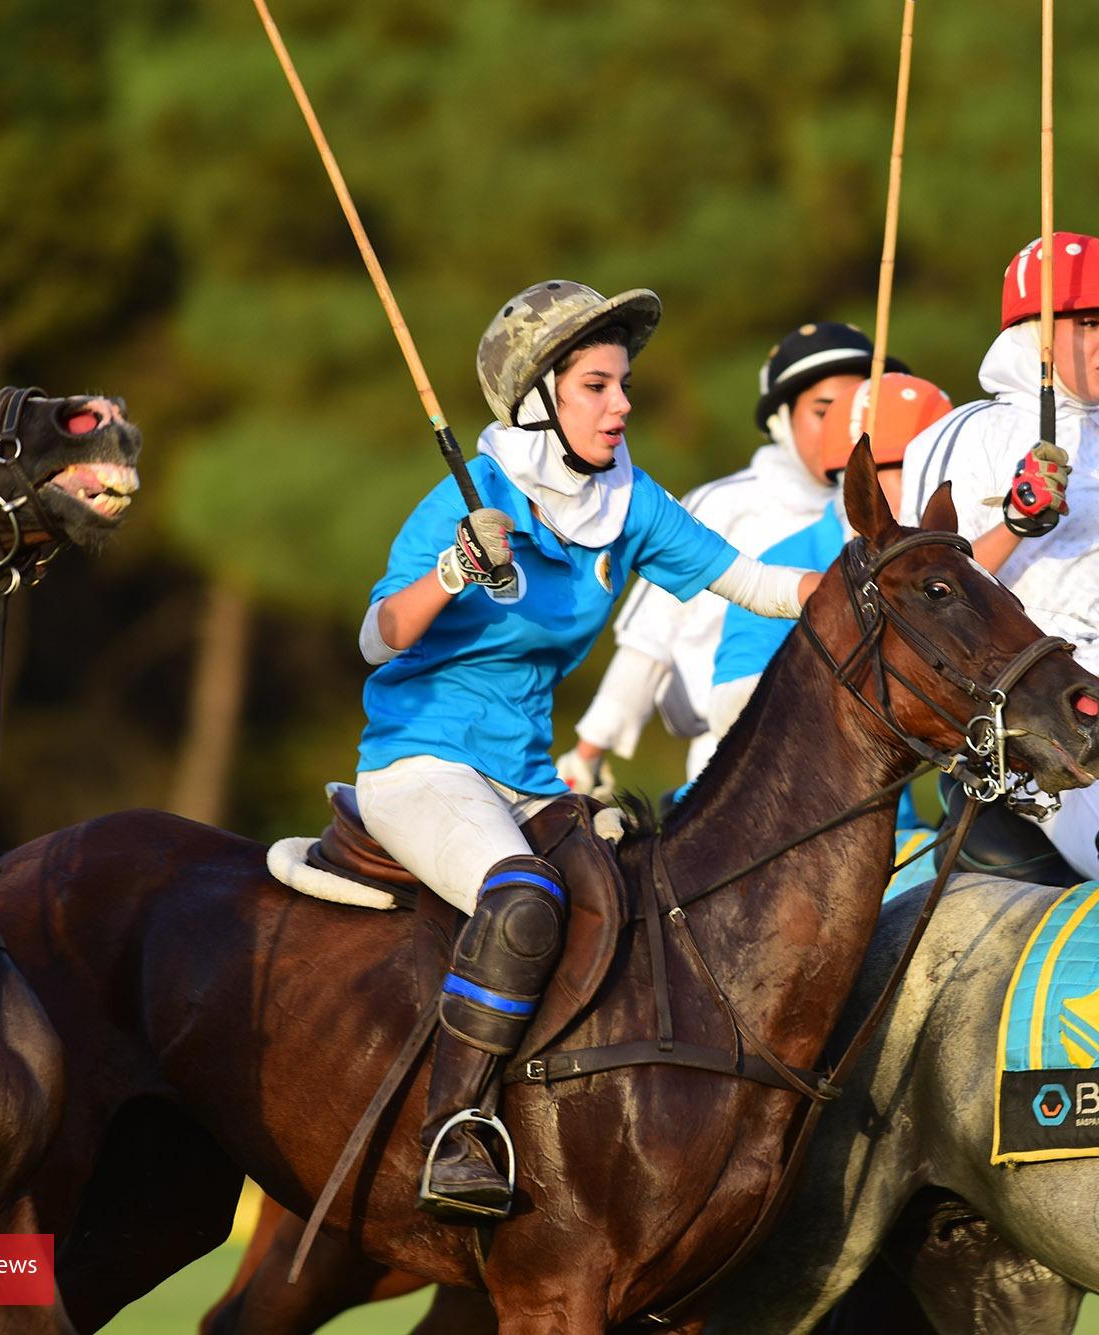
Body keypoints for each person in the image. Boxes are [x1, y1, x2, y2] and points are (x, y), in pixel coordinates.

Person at [355, 279, 823, 1219]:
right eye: (597, 387)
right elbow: (377, 638)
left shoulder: (626, 501)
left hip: (527, 776)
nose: (622, 405)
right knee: (524, 900)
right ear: (539, 401)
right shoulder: (473, 493)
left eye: (624, 385)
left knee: (647, 897)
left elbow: (761, 585)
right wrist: (453, 568)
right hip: (422, 761)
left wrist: (889, 575)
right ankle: (455, 1130)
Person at [899, 233, 1099, 876]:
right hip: (1042, 711)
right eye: (1090, 323)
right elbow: (922, 593)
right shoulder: (965, 433)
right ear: (1032, 335)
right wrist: (1014, 523)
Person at [559, 323, 904, 795]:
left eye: (861, 409)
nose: (846, 427)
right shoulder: (726, 504)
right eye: (825, 410)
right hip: (731, 756)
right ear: (780, 419)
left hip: (860, 763)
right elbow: (649, 641)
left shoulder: (889, 518)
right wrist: (588, 752)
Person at [707, 372, 953, 731]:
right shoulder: (784, 563)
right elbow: (728, 709)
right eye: (914, 473)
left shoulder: (949, 566)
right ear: (863, 481)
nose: (932, 490)